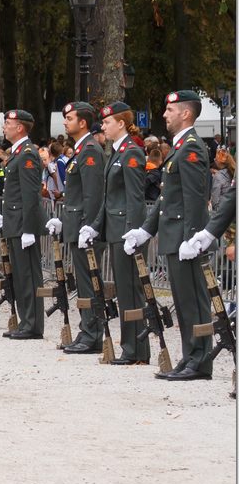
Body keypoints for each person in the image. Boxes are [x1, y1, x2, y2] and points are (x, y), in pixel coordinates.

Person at [129, 90, 214, 381]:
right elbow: (167, 200)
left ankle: (200, 360)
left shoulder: (191, 148)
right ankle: (191, 355)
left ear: (186, 114)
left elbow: (194, 198)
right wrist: (145, 230)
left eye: (170, 109)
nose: (164, 114)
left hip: (184, 238)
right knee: (183, 300)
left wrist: (193, 238)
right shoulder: (180, 148)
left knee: (193, 301)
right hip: (174, 236)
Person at [81, 102, 151, 366]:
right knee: (124, 290)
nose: (104, 127)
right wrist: (95, 225)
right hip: (115, 231)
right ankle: (131, 347)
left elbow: (135, 197)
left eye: (108, 122)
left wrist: (133, 231)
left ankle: (136, 349)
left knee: (131, 291)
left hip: (125, 233)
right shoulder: (117, 152)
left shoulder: (132, 152)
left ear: (121, 123)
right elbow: (110, 199)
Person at [51, 102, 106, 354]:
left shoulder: (90, 150)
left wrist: (89, 227)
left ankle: (92, 333)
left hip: (85, 230)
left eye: (69, 118)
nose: (65, 122)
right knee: (83, 283)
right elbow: (76, 195)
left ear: (82, 122)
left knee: (88, 283)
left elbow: (93, 195)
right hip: (76, 226)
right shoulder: (81, 150)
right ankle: (88, 330)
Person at [0, 109, 46, 339]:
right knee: (19, 274)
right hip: (14, 221)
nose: (4, 126)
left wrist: (29, 229)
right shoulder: (17, 152)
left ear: (20, 128)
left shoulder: (27, 153)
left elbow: (30, 195)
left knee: (28, 275)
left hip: (22, 224)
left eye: (8, 123)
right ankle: (27, 321)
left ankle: (33, 325)